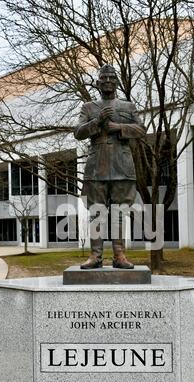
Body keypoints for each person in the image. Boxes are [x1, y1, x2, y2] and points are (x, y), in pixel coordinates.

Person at [74, 64, 146, 269]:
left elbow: (141, 129)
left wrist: (119, 127)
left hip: (122, 165)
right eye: (103, 78)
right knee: (96, 212)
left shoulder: (127, 106)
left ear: (116, 82)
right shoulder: (88, 107)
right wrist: (97, 121)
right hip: (97, 165)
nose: (107, 81)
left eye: (111, 78)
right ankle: (95, 256)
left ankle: (119, 255)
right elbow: (78, 132)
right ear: (97, 83)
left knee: (119, 212)